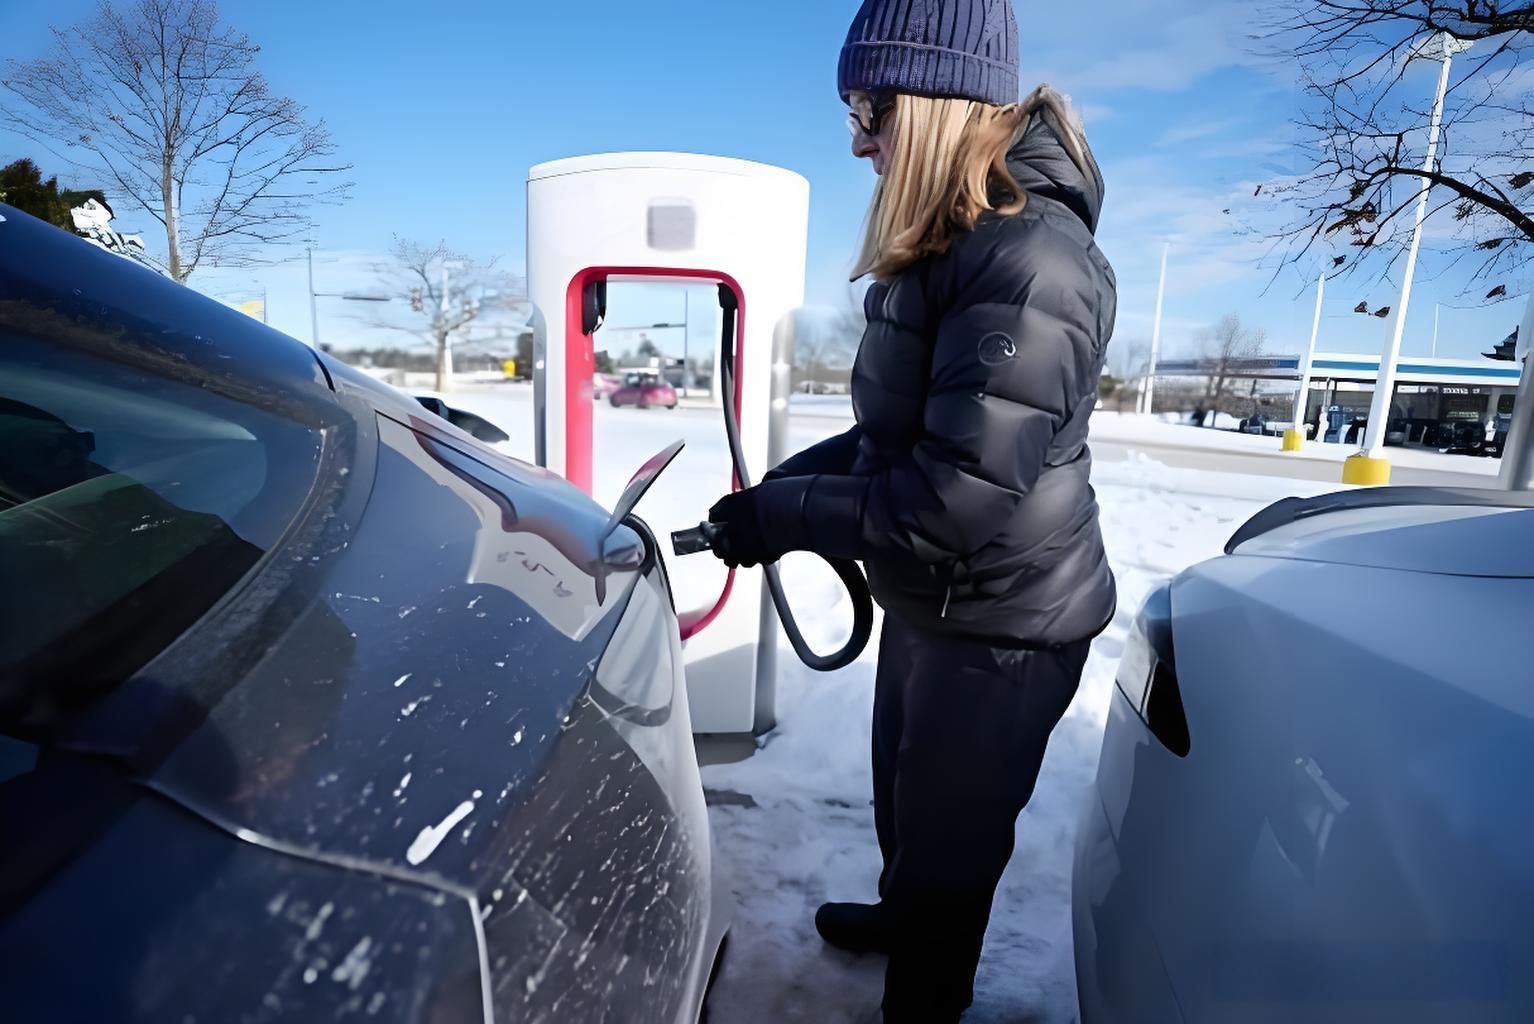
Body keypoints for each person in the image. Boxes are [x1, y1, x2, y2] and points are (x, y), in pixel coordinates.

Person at [703, 1, 1116, 1019]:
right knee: (907, 803)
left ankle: (922, 994)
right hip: (938, 600)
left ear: (936, 96)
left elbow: (951, 500)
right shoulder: (947, 243)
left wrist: (789, 518)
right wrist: (776, 495)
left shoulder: (1031, 264)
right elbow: (899, 442)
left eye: (871, 106)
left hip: (1008, 623)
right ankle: (903, 912)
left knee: (950, 849)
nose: (857, 138)